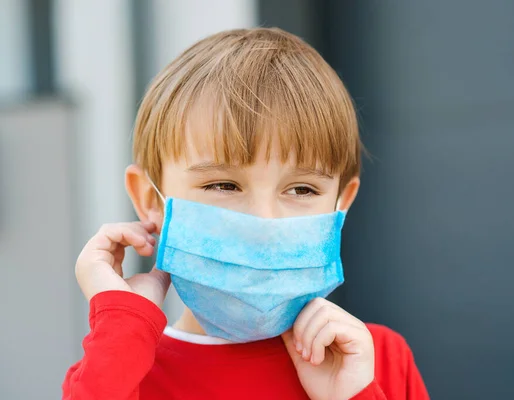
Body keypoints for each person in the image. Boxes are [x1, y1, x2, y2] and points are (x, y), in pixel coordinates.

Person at [62, 27, 429, 400]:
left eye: (302, 189)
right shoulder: (120, 374)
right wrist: (121, 326)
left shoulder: (373, 359)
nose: (264, 223)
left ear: (341, 203)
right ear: (151, 200)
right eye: (224, 185)